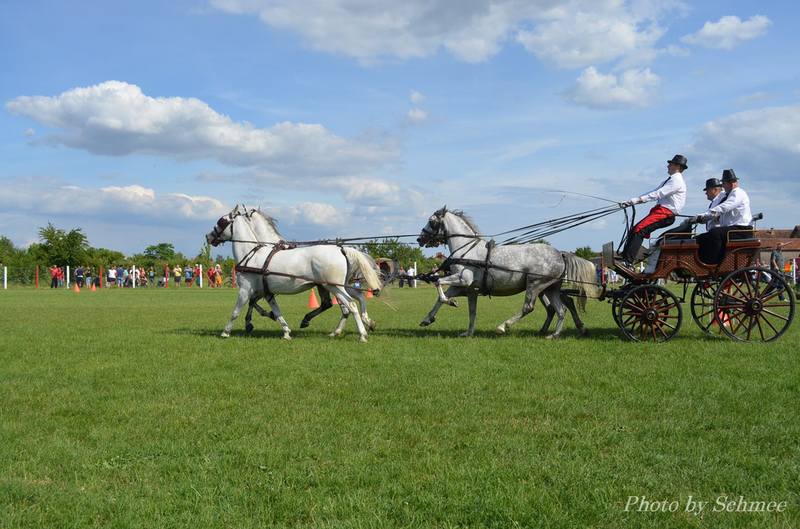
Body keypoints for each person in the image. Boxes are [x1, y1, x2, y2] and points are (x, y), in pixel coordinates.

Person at [620, 154, 688, 265]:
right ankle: (625, 257)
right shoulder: (670, 180)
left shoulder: (676, 181)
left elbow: (658, 194)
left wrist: (636, 200)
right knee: (635, 229)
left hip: (666, 213)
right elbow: (653, 191)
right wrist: (633, 200)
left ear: (677, 166)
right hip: (661, 211)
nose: (668, 166)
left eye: (670, 164)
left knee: (639, 230)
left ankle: (628, 261)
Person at [694, 169, 753, 264]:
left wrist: (705, 216)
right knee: (701, 238)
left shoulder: (738, 193)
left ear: (729, 183)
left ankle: (715, 262)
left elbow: (724, 207)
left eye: (723, 184)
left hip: (742, 230)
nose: (723, 187)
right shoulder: (729, 194)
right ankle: (701, 262)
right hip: (733, 229)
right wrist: (703, 217)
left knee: (715, 233)